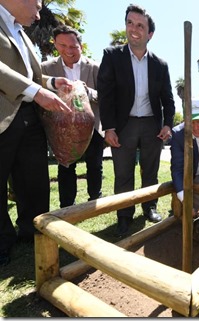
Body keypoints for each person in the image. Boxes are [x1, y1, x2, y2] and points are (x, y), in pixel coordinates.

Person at [0, 0, 72, 266]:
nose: (40, 14)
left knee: (34, 179)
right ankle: (2, 242)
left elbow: (31, 75)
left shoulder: (21, 32)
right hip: (3, 114)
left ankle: (32, 232)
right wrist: (36, 92)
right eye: (38, 6)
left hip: (30, 116)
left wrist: (52, 83)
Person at [98, 4, 175, 236]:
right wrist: (109, 127)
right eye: (130, 23)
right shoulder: (112, 56)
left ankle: (149, 208)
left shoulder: (160, 65)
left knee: (150, 171)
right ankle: (124, 216)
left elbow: (168, 99)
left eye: (140, 25)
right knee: (123, 174)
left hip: (152, 126)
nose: (134, 29)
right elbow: (105, 95)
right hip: (123, 126)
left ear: (149, 34)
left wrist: (167, 124)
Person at [42, 25, 104, 208]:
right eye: (62, 45)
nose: (68, 51)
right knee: (66, 167)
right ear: (55, 44)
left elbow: (106, 97)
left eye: (73, 46)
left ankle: (95, 201)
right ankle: (67, 206)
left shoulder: (95, 68)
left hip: (92, 127)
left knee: (95, 166)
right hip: (62, 130)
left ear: (81, 46)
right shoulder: (46, 68)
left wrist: (87, 92)